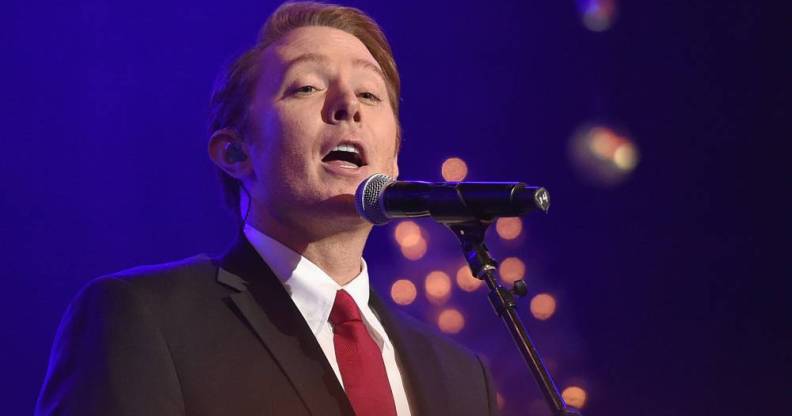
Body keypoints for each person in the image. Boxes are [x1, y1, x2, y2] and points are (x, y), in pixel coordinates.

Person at [35, 2, 500, 415]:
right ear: (235, 152)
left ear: (394, 160)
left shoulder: (459, 377)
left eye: (370, 94)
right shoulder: (143, 321)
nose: (347, 106)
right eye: (306, 87)